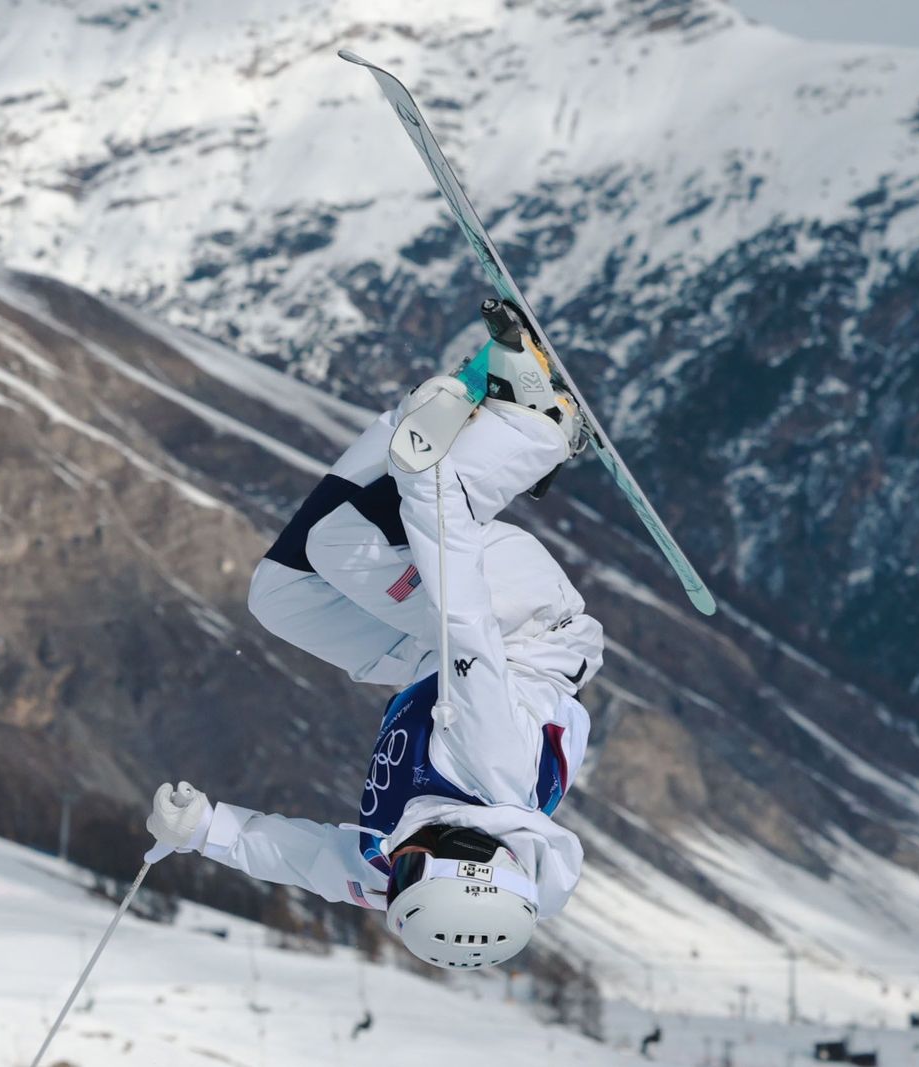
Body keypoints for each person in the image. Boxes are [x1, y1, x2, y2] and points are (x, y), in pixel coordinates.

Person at [145, 311, 605, 969]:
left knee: (282, 596)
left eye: (402, 878)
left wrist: (206, 830)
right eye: (414, 867)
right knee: (353, 538)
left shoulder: (398, 866)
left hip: (430, 663)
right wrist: (427, 485)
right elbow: (461, 612)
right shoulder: (489, 758)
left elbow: (307, 861)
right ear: (475, 855)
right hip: (522, 624)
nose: (397, 861)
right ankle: (539, 426)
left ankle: (470, 401)